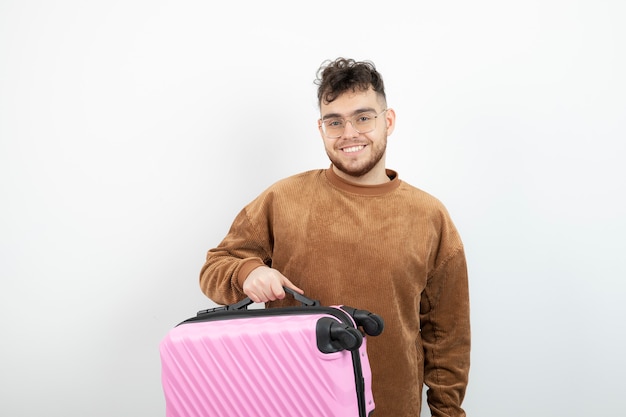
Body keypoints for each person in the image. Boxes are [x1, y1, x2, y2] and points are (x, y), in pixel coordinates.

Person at [199, 57, 471, 416]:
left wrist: (446, 412)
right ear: (321, 128)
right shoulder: (282, 199)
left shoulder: (430, 216)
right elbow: (215, 267)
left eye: (363, 117)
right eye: (335, 122)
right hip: (290, 405)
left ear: (387, 121)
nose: (349, 134)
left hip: (393, 408)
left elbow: (447, 337)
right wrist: (248, 273)